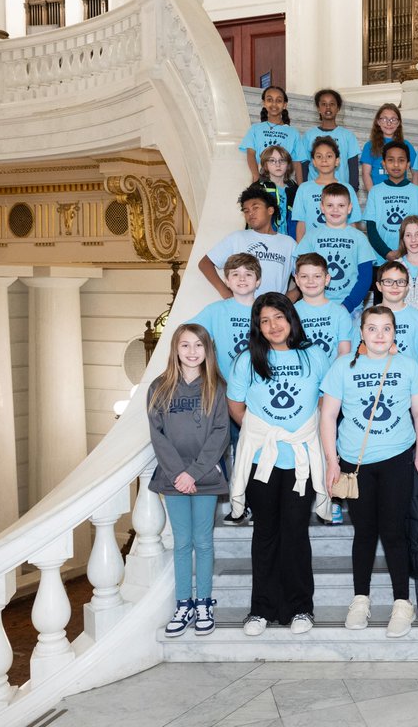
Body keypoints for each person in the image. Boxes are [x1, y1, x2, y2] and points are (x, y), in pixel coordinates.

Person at [321, 306, 418, 639]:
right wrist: (331, 461)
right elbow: (327, 417)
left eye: (386, 329)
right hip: (356, 463)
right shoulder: (342, 367)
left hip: (397, 459)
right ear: (362, 333)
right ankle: (360, 599)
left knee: (395, 533)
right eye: (372, 328)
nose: (379, 335)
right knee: (364, 533)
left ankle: (402, 603)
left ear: (395, 333)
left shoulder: (407, 366)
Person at [227, 293, 331, 636]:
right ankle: (262, 608)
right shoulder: (247, 360)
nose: (273, 326)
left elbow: (328, 402)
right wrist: (263, 432)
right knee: (266, 534)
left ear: (291, 319)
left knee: (296, 534)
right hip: (263, 461)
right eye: (265, 320)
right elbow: (236, 406)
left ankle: (301, 607)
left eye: (278, 317)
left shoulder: (313, 356)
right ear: (257, 326)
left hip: (300, 459)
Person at [148, 324, 229, 637]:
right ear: (175, 349)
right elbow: (158, 434)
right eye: (186, 345)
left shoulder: (217, 387)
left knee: (203, 541)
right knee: (182, 542)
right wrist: (178, 474)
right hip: (172, 478)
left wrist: (193, 472)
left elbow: (221, 433)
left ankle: (205, 602)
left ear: (207, 350)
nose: (192, 352)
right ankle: (184, 604)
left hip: (205, 476)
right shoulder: (159, 387)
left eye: (199, 345)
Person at [293, 183, 376, 315]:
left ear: (349, 208)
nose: (335, 210)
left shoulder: (359, 238)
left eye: (341, 205)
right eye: (330, 205)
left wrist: (347, 305)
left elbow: (366, 277)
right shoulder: (311, 236)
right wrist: (314, 298)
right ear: (322, 208)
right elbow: (299, 270)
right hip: (315, 306)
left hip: (351, 309)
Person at [200, 186, 297, 297]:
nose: (250, 213)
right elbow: (205, 263)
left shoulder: (289, 243)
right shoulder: (237, 238)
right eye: (246, 211)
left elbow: (305, 274)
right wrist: (226, 294)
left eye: (255, 208)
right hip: (243, 307)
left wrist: (290, 298)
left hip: (274, 310)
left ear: (270, 210)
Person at [191, 253, 260, 384]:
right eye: (235, 274)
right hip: (223, 383)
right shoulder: (215, 310)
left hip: (258, 383)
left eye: (248, 274)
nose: (242, 278)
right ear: (227, 281)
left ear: (258, 281)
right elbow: (185, 333)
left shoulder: (267, 311)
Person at [363, 141, 418, 260]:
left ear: (408, 164)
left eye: (401, 160)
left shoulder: (416, 191)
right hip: (381, 259)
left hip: (411, 257)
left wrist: (406, 251)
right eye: (390, 160)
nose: (396, 165)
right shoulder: (375, 191)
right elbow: (371, 229)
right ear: (383, 163)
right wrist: (386, 252)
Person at [292, 136, 362, 242]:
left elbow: (352, 223)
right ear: (313, 162)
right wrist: (301, 253)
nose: (324, 160)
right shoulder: (303, 189)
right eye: (319, 156)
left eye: (329, 156)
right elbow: (301, 224)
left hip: (340, 245)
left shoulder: (347, 189)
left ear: (337, 161)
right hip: (312, 249)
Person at [292, 252, 357, 365]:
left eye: (317, 276)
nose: (310, 281)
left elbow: (344, 351)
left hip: (333, 375)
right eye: (304, 276)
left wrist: (330, 378)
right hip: (303, 375)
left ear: (327, 279)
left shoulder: (340, 313)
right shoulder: (291, 312)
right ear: (297, 280)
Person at [373, 261, 418, 376]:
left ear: (407, 287)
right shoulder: (368, 317)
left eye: (400, 282)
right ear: (379, 286)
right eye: (388, 281)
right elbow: (359, 354)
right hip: (377, 383)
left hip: (410, 384)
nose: (394, 286)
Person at [240, 85, 306, 185]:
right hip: (262, 180)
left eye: (278, 100)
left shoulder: (293, 132)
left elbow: (297, 163)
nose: (274, 104)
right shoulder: (255, 129)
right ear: (264, 103)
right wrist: (256, 177)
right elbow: (251, 154)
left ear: (284, 105)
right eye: (269, 100)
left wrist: (301, 187)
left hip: (283, 181)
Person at [303, 88, 361, 190]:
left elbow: (353, 169)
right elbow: (303, 166)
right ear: (318, 108)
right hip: (314, 192)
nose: (328, 107)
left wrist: (352, 191)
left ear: (338, 108)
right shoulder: (309, 135)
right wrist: (303, 188)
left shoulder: (348, 136)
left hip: (340, 192)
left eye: (332, 104)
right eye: (324, 104)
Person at [360, 103, 415, 197]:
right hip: (379, 195)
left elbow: (416, 172)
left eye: (393, 119)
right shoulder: (369, 146)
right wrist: (373, 196)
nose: (389, 123)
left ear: (398, 123)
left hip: (402, 195)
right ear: (378, 122)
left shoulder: (406, 145)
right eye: (384, 119)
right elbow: (366, 174)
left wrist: (413, 193)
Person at [255, 145, 299, 238]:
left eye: (282, 160)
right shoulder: (259, 188)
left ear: (288, 165)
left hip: (289, 239)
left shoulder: (295, 189)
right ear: (265, 165)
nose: (278, 164)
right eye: (272, 160)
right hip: (265, 238)